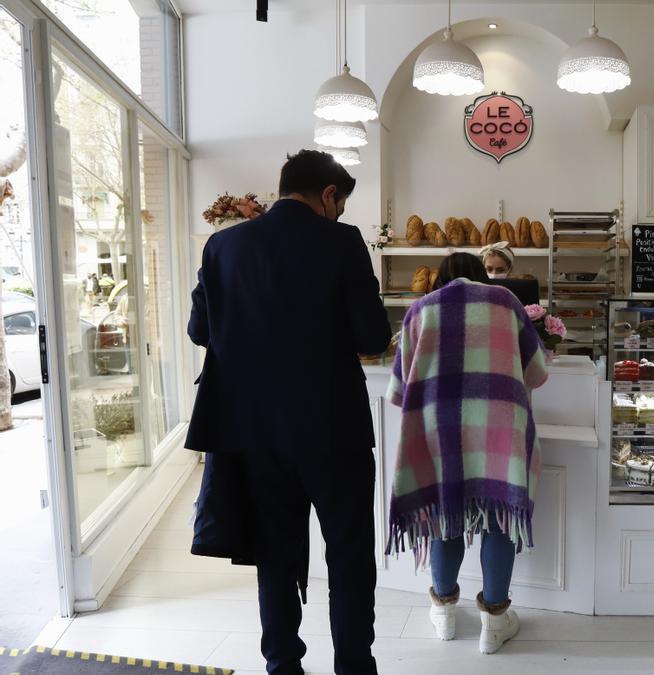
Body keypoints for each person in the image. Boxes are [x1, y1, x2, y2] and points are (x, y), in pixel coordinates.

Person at [187, 149, 391, 675]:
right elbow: (371, 336)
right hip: (334, 428)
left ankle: (282, 664)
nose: (340, 215)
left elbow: (199, 331)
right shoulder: (342, 243)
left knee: (274, 553)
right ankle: (353, 666)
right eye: (340, 205)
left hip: (252, 431)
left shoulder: (223, 246)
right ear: (329, 195)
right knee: (348, 554)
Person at [387, 252, 549, 654]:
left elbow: (398, 390)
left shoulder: (420, 310)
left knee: (445, 514)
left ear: (440, 277)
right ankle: (494, 621)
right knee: (499, 516)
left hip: (438, 430)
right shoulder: (507, 303)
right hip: (499, 428)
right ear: (482, 275)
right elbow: (537, 372)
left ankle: (443, 612)